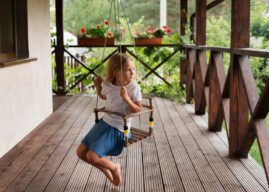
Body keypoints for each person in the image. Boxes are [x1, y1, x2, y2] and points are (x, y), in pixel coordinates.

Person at [76, 53, 142, 186]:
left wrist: (127, 99)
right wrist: (98, 87)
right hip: (105, 123)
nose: (132, 72)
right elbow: (105, 97)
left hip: (119, 128)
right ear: (116, 72)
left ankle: (114, 168)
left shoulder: (134, 87)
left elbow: (138, 109)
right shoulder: (109, 84)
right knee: (81, 153)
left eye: (133, 68)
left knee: (92, 156)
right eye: (128, 69)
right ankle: (109, 172)